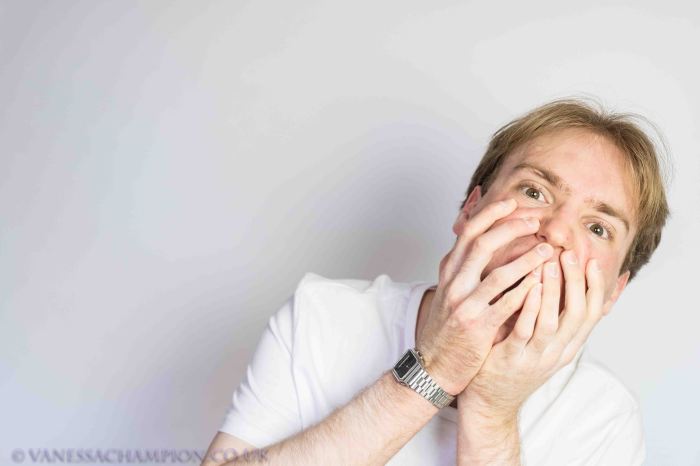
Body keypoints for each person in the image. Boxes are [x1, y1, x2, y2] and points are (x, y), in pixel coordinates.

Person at [200, 98, 669, 465]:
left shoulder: (604, 415)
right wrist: (437, 367)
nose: (557, 232)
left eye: (598, 228)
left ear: (613, 291)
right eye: (535, 191)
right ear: (472, 209)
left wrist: (493, 411)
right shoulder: (320, 318)